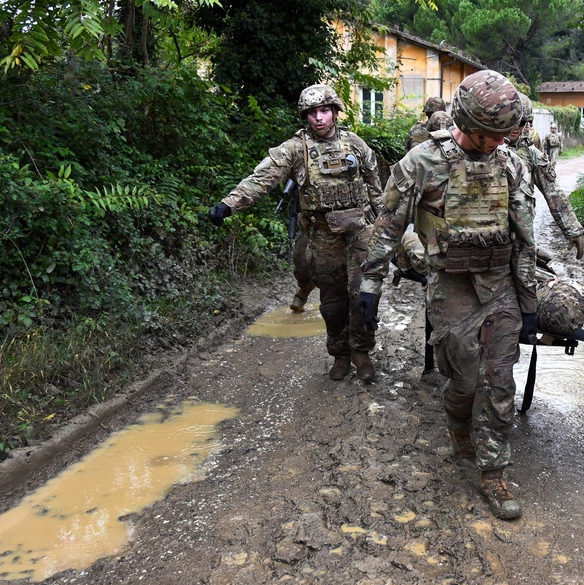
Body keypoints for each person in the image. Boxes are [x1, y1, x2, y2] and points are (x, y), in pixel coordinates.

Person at [357, 69, 536, 520]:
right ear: (465, 121)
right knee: (467, 379)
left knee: (500, 381)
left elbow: (525, 238)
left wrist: (529, 302)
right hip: (450, 287)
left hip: (499, 287)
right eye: (487, 134)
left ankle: (493, 471)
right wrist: (370, 285)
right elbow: (388, 227)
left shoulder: (511, 164)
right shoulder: (423, 162)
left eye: (502, 135)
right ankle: (457, 418)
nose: (496, 142)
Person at [208, 83, 383, 382]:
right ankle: (340, 354)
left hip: (359, 230)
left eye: (325, 110)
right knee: (333, 301)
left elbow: (375, 190)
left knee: (362, 295)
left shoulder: (356, 144)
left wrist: (388, 227)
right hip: (323, 235)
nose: (319, 118)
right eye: (313, 112)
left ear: (335, 112)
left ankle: (362, 352)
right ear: (306, 116)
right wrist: (229, 204)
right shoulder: (295, 149)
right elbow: (262, 178)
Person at [508, 93, 584, 260]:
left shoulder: (531, 154)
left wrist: (573, 230)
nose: (516, 127)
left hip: (520, 238)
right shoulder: (482, 148)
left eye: (522, 122)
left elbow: (553, 193)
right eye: (511, 120)